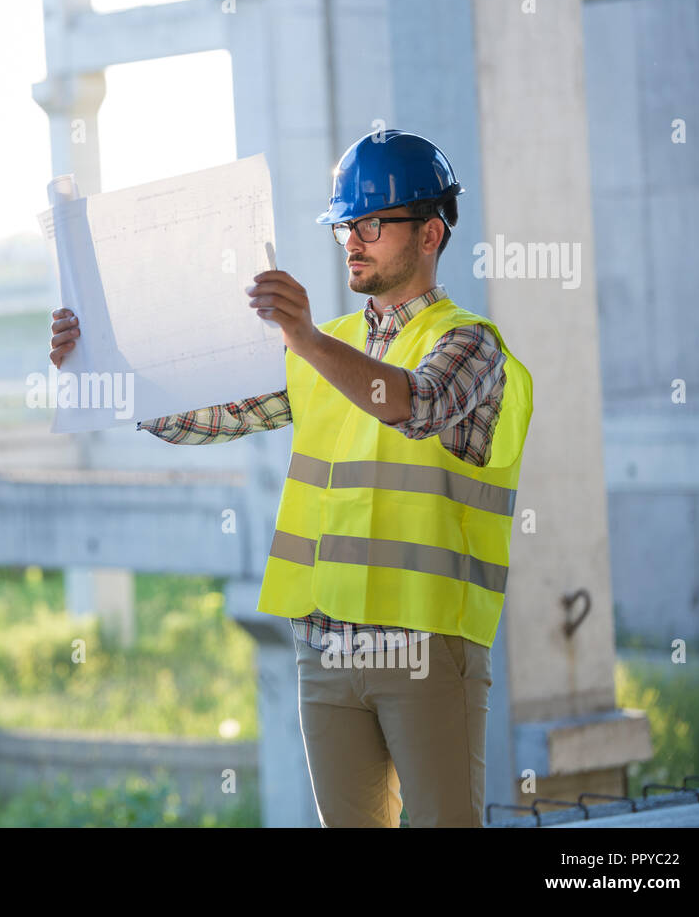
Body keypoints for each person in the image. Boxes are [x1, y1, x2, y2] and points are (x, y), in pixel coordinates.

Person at [48, 130, 533, 827]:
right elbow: (207, 419)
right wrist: (99, 366)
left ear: (430, 233)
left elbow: (416, 404)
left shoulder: (470, 344)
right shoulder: (321, 344)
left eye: (371, 222)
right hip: (325, 651)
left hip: (426, 649)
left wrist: (306, 339)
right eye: (344, 225)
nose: (352, 241)